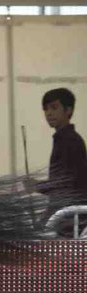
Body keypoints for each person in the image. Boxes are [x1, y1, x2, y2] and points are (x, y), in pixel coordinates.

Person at [35, 88, 87, 234]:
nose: (48, 113)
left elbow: (65, 183)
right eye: (45, 109)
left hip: (71, 218)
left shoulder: (70, 140)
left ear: (68, 110)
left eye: (54, 107)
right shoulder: (64, 138)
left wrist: (37, 186)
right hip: (66, 214)